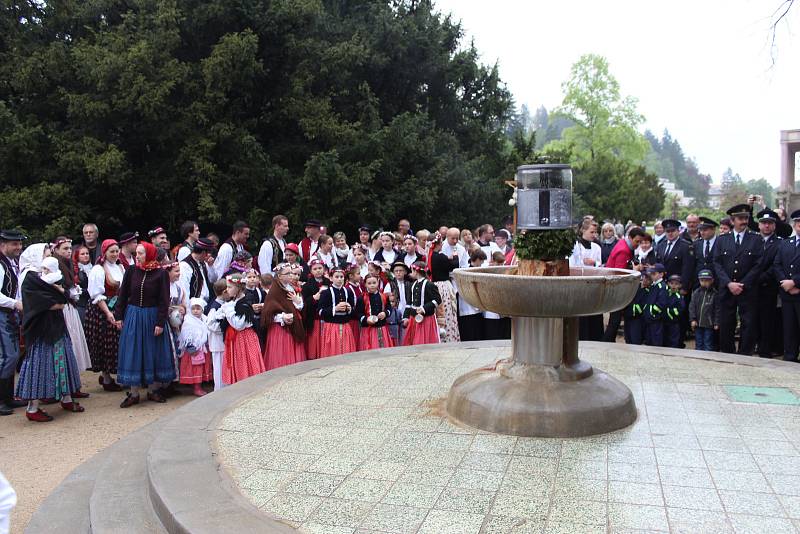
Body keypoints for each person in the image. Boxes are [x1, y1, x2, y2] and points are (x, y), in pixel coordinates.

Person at [16, 255, 85, 421]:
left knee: (65, 361)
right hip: (41, 333)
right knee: (39, 367)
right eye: (45, 252)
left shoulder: (54, 278)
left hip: (57, 328)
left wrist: (61, 292)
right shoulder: (31, 280)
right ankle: (32, 408)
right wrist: (60, 294)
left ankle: (67, 398)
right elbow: (56, 303)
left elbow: (67, 297)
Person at [114, 242, 176, 407]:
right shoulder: (131, 271)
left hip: (151, 316)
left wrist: (160, 322)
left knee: (152, 351)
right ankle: (133, 393)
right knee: (133, 351)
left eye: (141, 253)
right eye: (137, 253)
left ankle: (153, 390)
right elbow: (123, 295)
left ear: (149, 254)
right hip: (134, 315)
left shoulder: (160, 274)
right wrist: (118, 316)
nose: (137, 256)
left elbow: (164, 300)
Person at [713, 204, 763, 355]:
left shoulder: (755, 239)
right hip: (727, 288)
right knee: (726, 322)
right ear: (732, 220)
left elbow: (758, 264)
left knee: (748, 322)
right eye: (740, 218)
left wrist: (743, 284)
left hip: (747, 289)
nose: (744, 221)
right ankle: (727, 352)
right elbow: (716, 263)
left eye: (746, 218)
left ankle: (745, 353)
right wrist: (728, 283)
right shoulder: (722, 240)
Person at [52, 237, 92, 389]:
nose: (68, 251)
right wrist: (69, 293)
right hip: (62, 308)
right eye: (65, 249)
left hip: (70, 307)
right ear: (56, 250)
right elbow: (55, 287)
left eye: (70, 248)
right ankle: (67, 387)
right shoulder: (54, 264)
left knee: (75, 344)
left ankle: (73, 385)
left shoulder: (67, 263)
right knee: (69, 345)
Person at [86, 239, 125, 392]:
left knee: (116, 343)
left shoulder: (120, 267)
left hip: (117, 307)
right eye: (112, 251)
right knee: (105, 343)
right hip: (102, 310)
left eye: (117, 251)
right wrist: (108, 313)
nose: (115, 254)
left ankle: (111, 375)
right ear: (104, 253)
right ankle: (107, 377)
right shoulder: (98, 269)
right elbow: (96, 294)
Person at [602, 226, 646, 342]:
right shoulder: (624, 250)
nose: (638, 244)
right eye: (637, 241)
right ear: (630, 238)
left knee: (615, 320)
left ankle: (608, 341)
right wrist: (635, 269)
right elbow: (619, 273)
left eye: (640, 242)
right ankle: (607, 342)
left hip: (615, 286)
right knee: (615, 320)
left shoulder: (624, 243)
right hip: (616, 289)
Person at [221, 273, 266, 383]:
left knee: (247, 363)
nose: (227, 290)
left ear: (239, 288)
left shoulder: (245, 303)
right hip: (237, 339)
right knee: (240, 362)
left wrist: (228, 310)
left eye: (230, 287)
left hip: (244, 338)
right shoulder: (234, 301)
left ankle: (249, 386)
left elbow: (239, 325)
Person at [0, 230, 26, 415]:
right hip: (2, 314)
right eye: (14, 244)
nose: (18, 247)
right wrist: (15, 303)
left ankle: (8, 396)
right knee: (7, 356)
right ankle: (2, 399)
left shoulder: (11, 263)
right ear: (3, 245)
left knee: (13, 355)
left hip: (10, 315)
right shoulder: (1, 264)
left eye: (19, 243)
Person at [262, 263, 306, 370]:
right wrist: (282, 317)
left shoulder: (291, 288)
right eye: (288, 273)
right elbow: (268, 313)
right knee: (282, 354)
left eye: (291, 272)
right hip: (280, 330)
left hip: (293, 325)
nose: (291, 275)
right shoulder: (274, 291)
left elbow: (299, 307)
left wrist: (297, 301)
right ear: (280, 276)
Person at [753, 209, 783, 358]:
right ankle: (753, 346)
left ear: (774, 226)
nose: (766, 226)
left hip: (768, 288)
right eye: (764, 223)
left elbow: (776, 265)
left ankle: (765, 350)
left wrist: (760, 278)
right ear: (759, 225)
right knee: (752, 319)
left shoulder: (779, 243)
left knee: (767, 320)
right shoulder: (752, 241)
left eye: (769, 223)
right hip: (751, 287)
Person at [569, 219, 603, 340]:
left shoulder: (597, 247)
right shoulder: (575, 246)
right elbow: (572, 265)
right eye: (592, 232)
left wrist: (594, 263)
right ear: (583, 230)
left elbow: (600, 266)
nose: (594, 235)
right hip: (579, 285)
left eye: (596, 232)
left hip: (593, 285)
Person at [773, 209, 800, 362]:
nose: (799, 225)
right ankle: (790, 357)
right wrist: (785, 283)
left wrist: (795, 282)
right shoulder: (785, 244)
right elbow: (777, 264)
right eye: (797, 222)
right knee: (789, 329)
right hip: (787, 294)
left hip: (799, 291)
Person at [427, 233, 460, 343]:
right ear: (438, 244)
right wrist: (455, 255)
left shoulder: (430, 256)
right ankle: (449, 338)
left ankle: (438, 337)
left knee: (438, 313)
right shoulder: (439, 256)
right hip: (443, 286)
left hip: (434, 285)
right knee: (447, 311)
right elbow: (454, 265)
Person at [318, 268, 356, 357]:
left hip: (346, 326)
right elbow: (320, 311)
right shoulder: (326, 293)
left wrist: (349, 308)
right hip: (331, 326)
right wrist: (335, 308)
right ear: (331, 278)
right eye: (337, 277)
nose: (339, 279)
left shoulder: (348, 291)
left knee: (346, 351)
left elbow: (354, 312)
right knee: (333, 352)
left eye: (341, 277)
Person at [178, 298, 212, 396]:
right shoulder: (188, 321)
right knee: (195, 368)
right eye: (193, 308)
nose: (195, 311)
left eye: (198, 308)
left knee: (200, 367)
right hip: (192, 349)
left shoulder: (205, 319)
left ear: (202, 309)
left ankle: (200, 385)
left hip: (203, 348)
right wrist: (190, 345)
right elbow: (185, 334)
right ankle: (196, 387)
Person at [403, 262, 441, 345]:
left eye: (412, 271)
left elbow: (437, 300)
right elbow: (409, 303)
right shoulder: (412, 285)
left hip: (425, 319)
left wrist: (424, 308)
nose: (410, 273)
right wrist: (405, 317)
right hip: (413, 319)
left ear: (416, 272)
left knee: (422, 342)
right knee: (413, 341)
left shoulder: (429, 284)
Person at [302, 259, 328, 359]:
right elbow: (304, 304)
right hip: (314, 319)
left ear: (324, 269)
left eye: (320, 268)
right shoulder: (307, 286)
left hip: (326, 318)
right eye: (315, 269)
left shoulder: (329, 282)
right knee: (314, 342)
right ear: (311, 271)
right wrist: (313, 298)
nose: (318, 270)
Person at [458, 249, 487, 341]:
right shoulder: (465, 270)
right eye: (481, 261)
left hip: (477, 305)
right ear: (477, 259)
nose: (482, 263)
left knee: (477, 329)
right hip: (467, 304)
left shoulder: (479, 270)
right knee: (469, 329)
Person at [205, 279, 228, 390]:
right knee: (219, 369)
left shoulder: (224, 304)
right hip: (217, 343)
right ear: (224, 292)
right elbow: (210, 324)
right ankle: (219, 390)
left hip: (222, 343)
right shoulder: (214, 307)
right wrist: (224, 328)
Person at [179, 237, 217, 304]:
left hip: (204, 305)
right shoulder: (185, 266)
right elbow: (184, 291)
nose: (210, 256)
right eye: (209, 253)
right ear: (203, 252)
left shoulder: (203, 263)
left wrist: (211, 266)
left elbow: (213, 279)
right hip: (194, 307)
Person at [690, 269, 719, 351]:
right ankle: (698, 359)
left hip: (709, 324)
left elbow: (717, 309)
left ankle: (707, 359)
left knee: (708, 342)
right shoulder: (696, 293)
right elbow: (692, 307)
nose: (704, 282)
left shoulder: (714, 293)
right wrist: (692, 319)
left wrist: (716, 322)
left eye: (707, 280)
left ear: (712, 280)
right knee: (698, 342)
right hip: (697, 323)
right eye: (702, 280)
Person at [385, 261, 412, 344]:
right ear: (393, 273)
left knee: (406, 335)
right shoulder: (390, 285)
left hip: (407, 312)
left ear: (405, 272)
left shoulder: (409, 284)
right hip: (395, 314)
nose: (398, 273)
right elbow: (386, 298)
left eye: (401, 271)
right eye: (396, 271)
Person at [644, 264, 667, 347]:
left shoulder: (662, 286)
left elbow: (661, 303)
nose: (652, 276)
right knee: (649, 340)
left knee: (656, 341)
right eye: (651, 274)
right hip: (650, 319)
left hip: (656, 319)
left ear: (661, 274)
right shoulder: (654, 285)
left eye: (654, 274)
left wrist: (651, 312)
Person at [623, 274, 650, 345]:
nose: (646, 280)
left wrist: (631, 307)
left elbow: (642, 307)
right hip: (627, 315)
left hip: (637, 318)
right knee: (627, 338)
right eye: (645, 277)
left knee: (635, 339)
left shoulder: (648, 291)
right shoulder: (635, 286)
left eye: (648, 279)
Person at [72, 244, 92, 322]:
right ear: (77, 256)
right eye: (82, 254)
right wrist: (89, 290)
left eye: (87, 253)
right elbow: (75, 289)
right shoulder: (75, 270)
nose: (85, 255)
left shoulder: (92, 267)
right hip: (81, 304)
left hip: (92, 304)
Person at [664, 275, 685, 348]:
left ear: (680, 285)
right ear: (668, 284)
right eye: (672, 283)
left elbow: (679, 310)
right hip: (664, 322)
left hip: (673, 323)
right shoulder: (665, 294)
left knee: (673, 341)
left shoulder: (679, 297)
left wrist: (668, 311)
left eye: (676, 284)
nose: (673, 286)